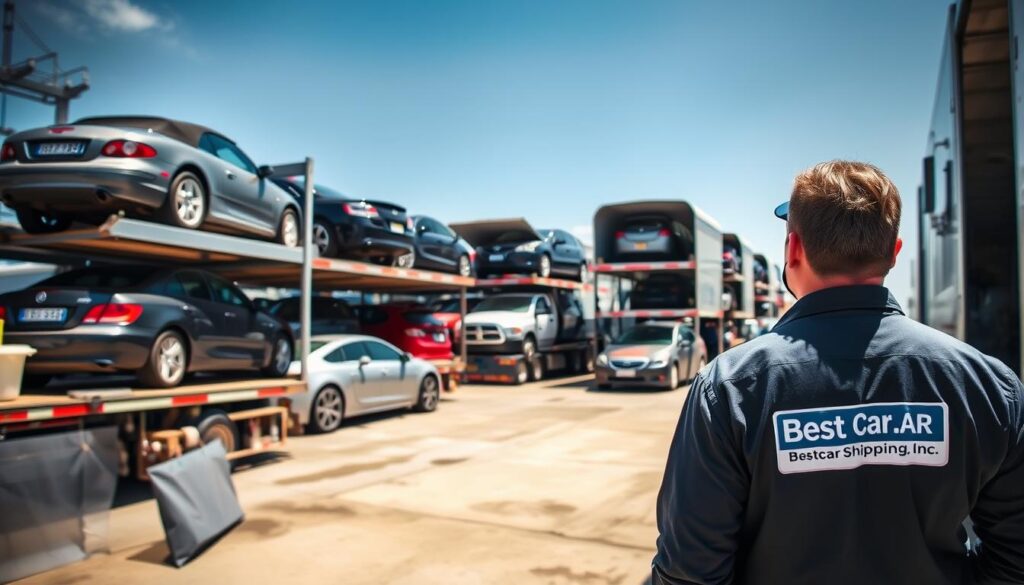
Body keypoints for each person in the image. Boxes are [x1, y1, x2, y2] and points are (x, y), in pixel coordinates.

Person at [652, 161, 1024, 584]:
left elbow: (689, 572)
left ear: (793, 250)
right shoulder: (990, 387)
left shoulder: (729, 387)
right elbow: (1015, 560)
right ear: (894, 253)